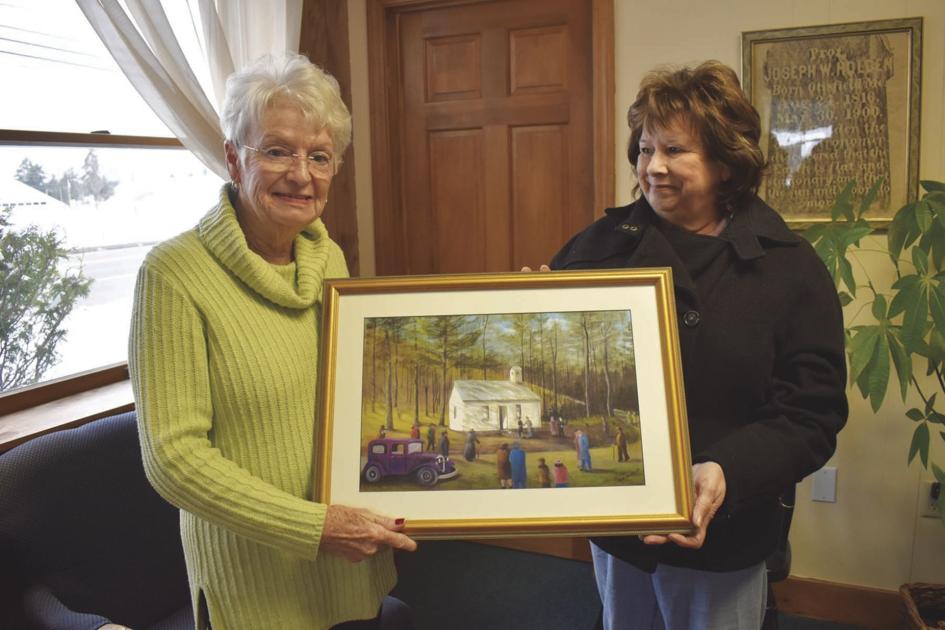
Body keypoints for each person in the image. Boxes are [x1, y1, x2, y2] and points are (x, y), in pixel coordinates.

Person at [545, 61, 847, 629]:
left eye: (675, 150)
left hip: (726, 536)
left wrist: (727, 470)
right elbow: (565, 374)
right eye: (644, 149)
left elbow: (813, 412)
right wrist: (539, 314)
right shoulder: (594, 248)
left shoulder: (791, 268)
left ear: (726, 161)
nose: (652, 167)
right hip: (621, 531)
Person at [130, 54, 417, 630]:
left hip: (348, 565)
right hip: (255, 582)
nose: (301, 175)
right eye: (278, 150)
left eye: (319, 156)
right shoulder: (173, 273)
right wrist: (314, 528)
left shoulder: (327, 256)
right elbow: (173, 460)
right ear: (235, 158)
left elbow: (351, 389)